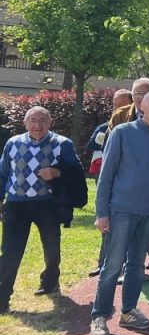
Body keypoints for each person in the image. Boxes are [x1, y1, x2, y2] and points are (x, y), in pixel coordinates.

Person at [90, 92, 149, 335]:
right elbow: (105, 175)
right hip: (120, 210)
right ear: (141, 105)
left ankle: (128, 311)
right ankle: (100, 315)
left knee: (137, 266)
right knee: (112, 266)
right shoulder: (122, 133)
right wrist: (102, 212)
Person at [0, 107, 83, 314]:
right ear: (25, 123)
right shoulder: (13, 143)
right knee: (10, 252)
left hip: (47, 204)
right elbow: (2, 173)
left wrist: (57, 172)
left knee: (51, 247)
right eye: (33, 121)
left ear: (50, 122)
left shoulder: (62, 144)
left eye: (42, 121)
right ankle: (2, 298)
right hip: (16, 204)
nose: (37, 126)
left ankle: (50, 281)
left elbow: (76, 174)